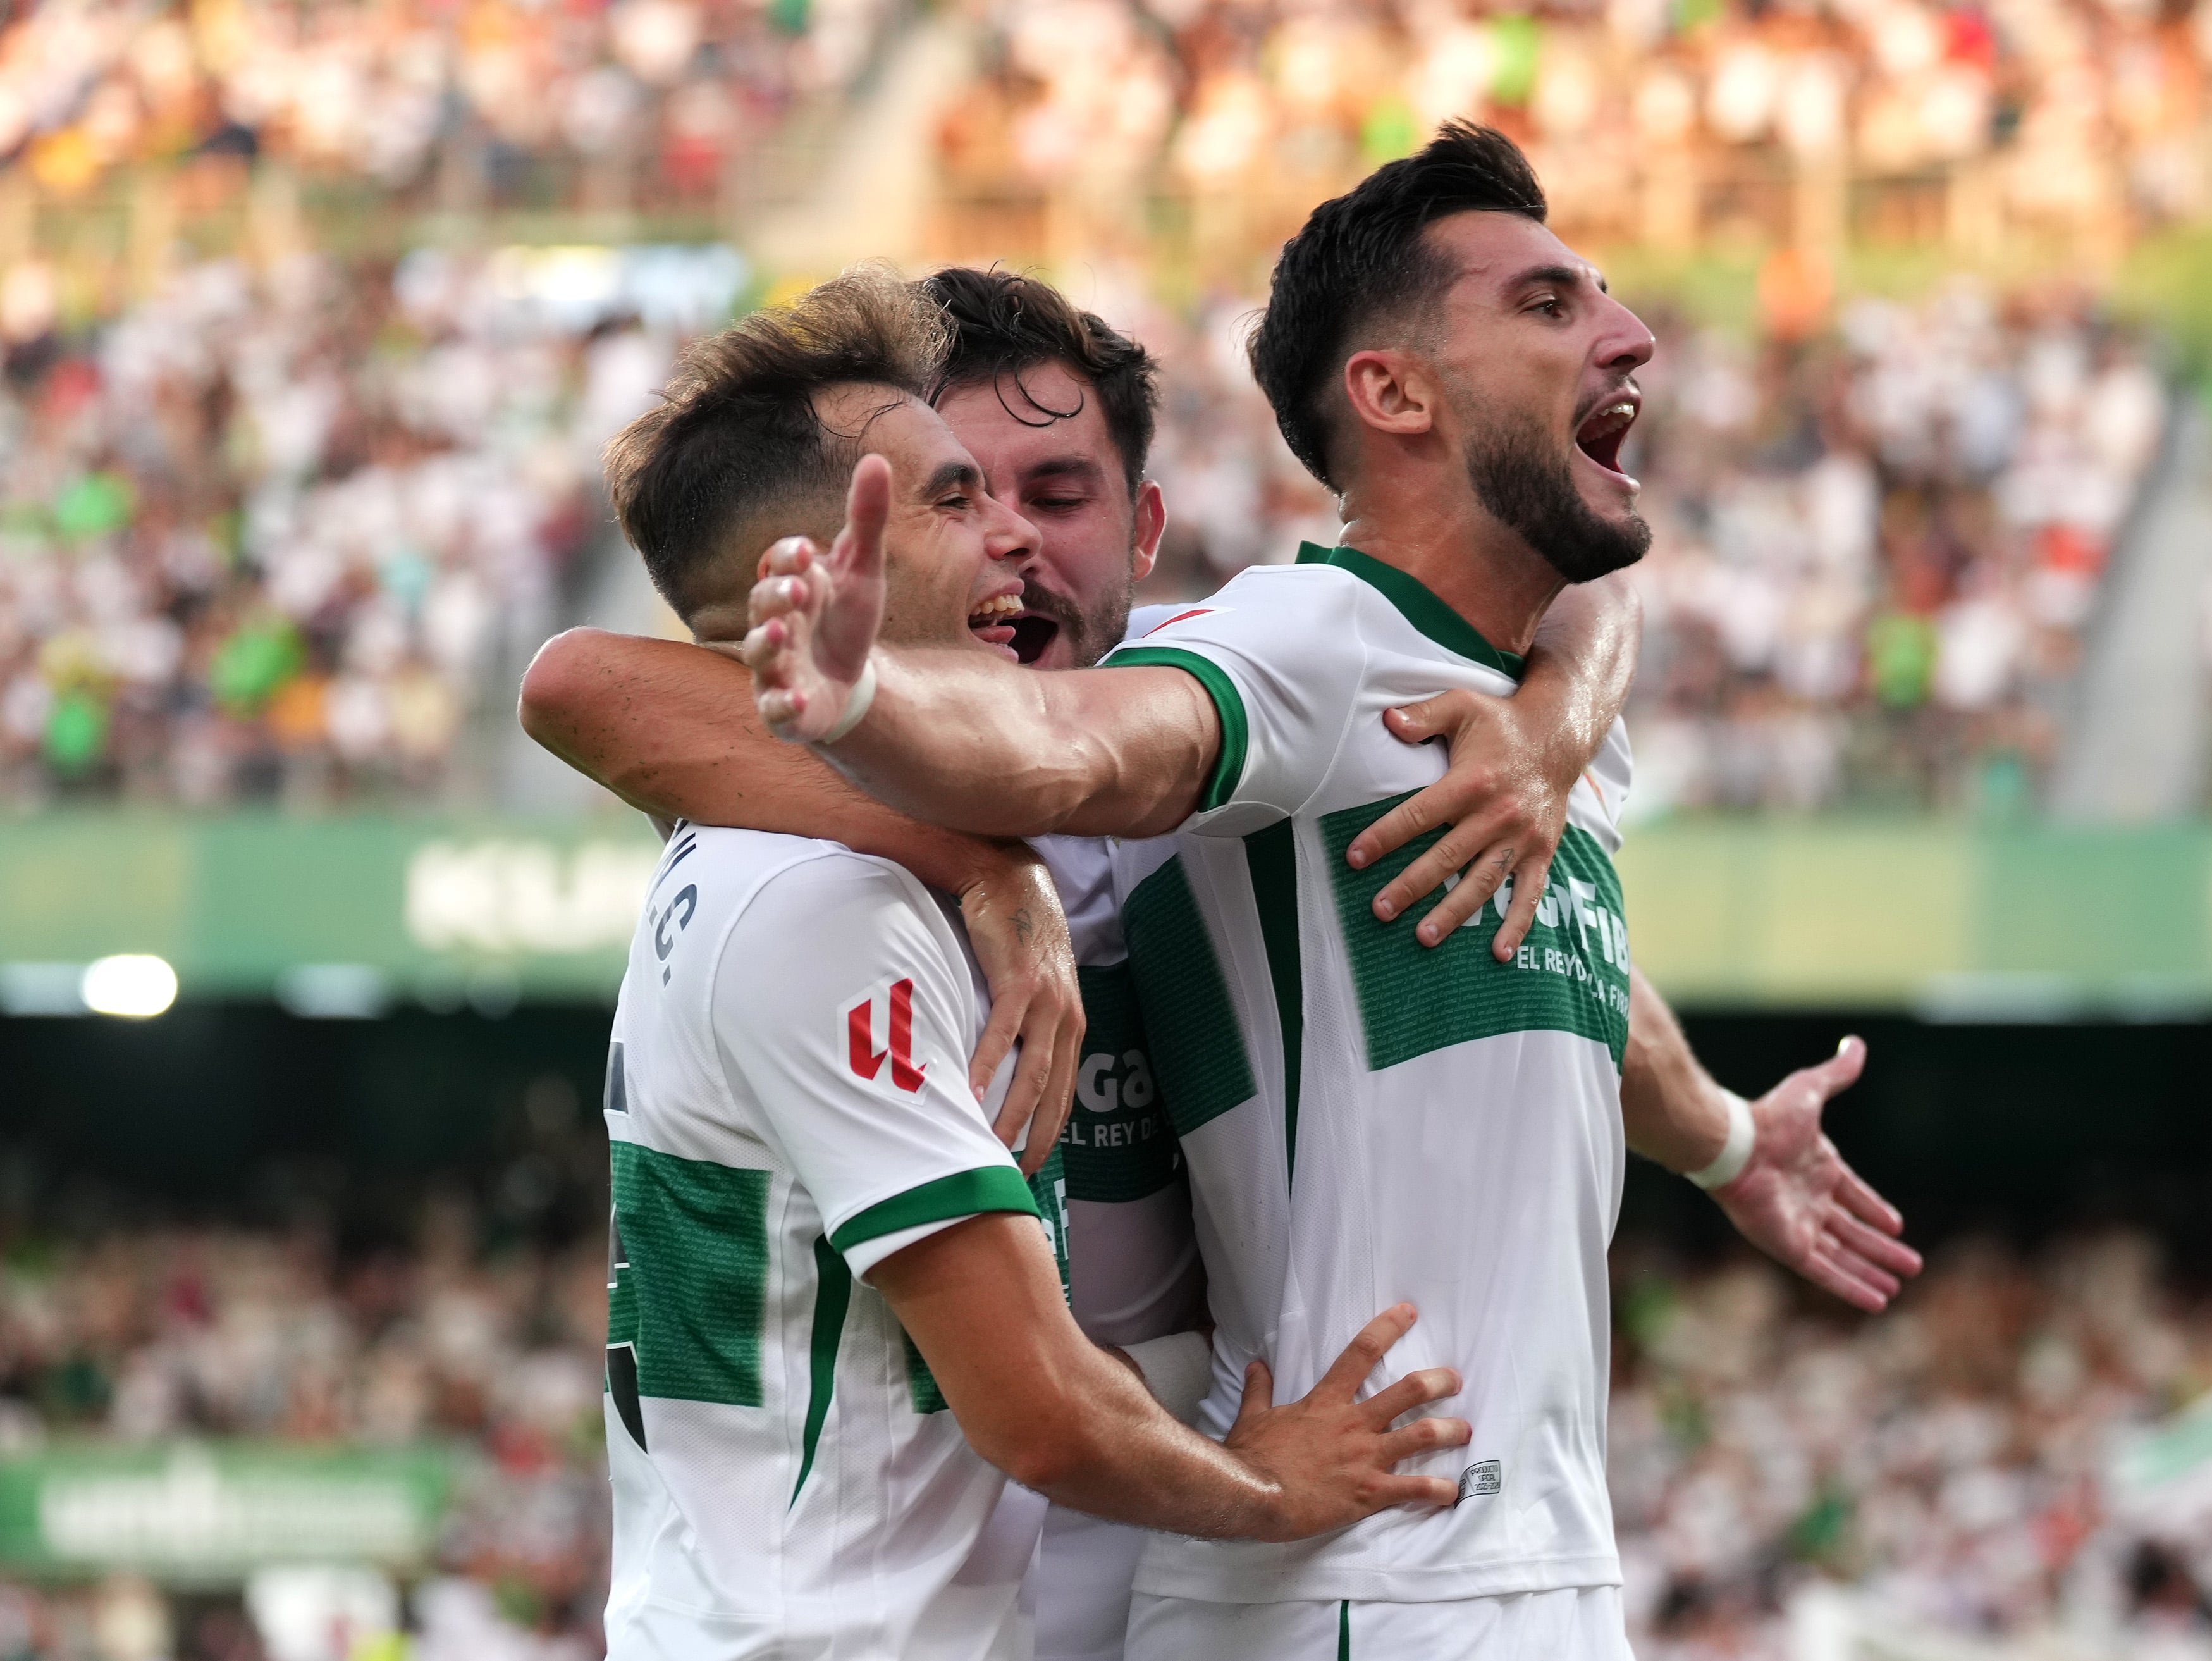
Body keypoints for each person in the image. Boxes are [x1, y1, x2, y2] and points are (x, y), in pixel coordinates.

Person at [747, 126, 1923, 1658]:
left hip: (1528, 1562)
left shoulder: (1517, 708)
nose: (1627, 334)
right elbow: (1074, 744)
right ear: (1392, 391)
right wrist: (864, 704)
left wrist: (1721, 1138)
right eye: (1550, 306)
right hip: (1349, 1576)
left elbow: (1554, 961)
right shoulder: (1301, 641)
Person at [522, 265, 1642, 1661]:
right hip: (947, 1569)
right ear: (820, 567)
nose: (1012, 540)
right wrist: (988, 866)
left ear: (1144, 531)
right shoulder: (834, 882)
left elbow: (1545, 583)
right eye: (955, 496)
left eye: (1050, 497)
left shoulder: (1202, 714)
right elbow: (573, 680)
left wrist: (1553, 721)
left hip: (1024, 1543)